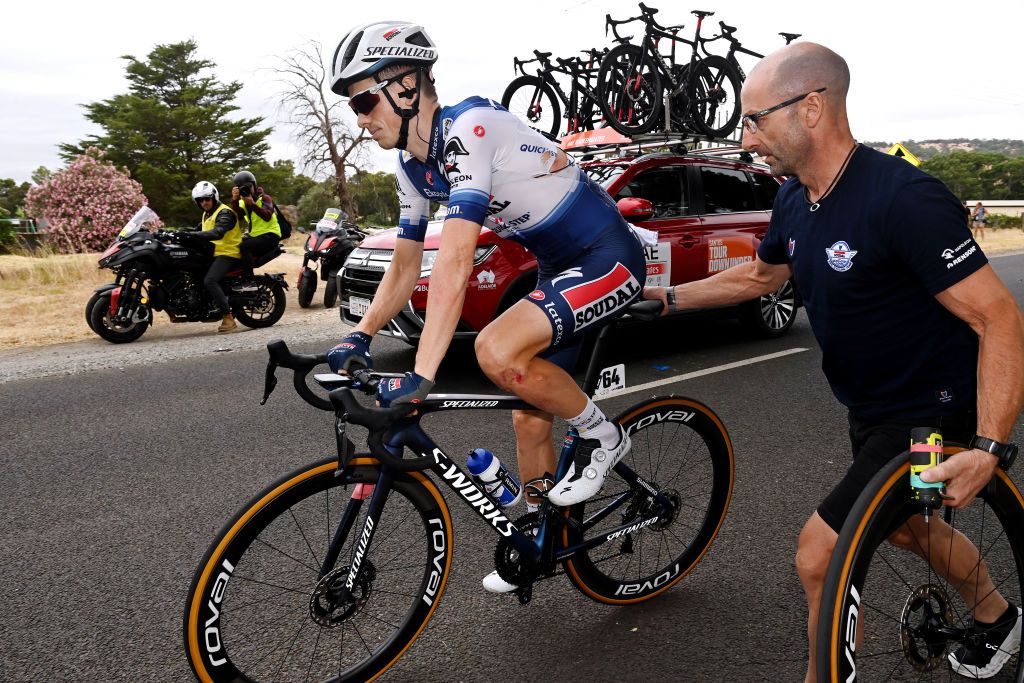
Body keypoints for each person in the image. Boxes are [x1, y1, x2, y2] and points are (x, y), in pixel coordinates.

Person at [643, 42, 1024, 681]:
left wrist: (988, 446)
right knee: (903, 528)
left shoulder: (904, 198)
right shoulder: (795, 198)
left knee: (820, 557)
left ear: (811, 108)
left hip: (929, 417)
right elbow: (762, 276)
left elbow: (999, 318)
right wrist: (664, 299)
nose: (747, 137)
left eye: (755, 119)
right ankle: (998, 620)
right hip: (871, 409)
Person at [324, 22, 647, 592]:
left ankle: (604, 436)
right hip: (556, 268)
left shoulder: (469, 129)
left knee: (496, 351)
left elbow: (454, 260)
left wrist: (420, 376)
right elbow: (406, 265)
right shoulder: (411, 168)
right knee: (527, 412)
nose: (360, 116)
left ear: (406, 86)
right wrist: (362, 336)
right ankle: (542, 542)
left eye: (365, 99)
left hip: (608, 256)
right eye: (354, 105)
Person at [189, 181, 243, 333]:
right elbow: (197, 230)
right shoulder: (207, 214)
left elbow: (218, 232)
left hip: (228, 253)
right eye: (200, 200)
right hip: (214, 253)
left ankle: (228, 317)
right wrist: (171, 233)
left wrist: (191, 235)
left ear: (214, 197)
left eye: (207, 199)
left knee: (210, 280)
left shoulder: (225, 213)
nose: (204, 202)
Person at [231, 170, 281, 277]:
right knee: (233, 245)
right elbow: (239, 216)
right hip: (256, 236)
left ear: (254, 185)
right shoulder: (242, 201)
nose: (246, 190)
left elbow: (267, 216)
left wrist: (253, 204)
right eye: (241, 188)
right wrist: (234, 200)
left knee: (245, 247)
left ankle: (249, 280)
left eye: (248, 186)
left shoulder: (265, 198)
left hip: (271, 235)